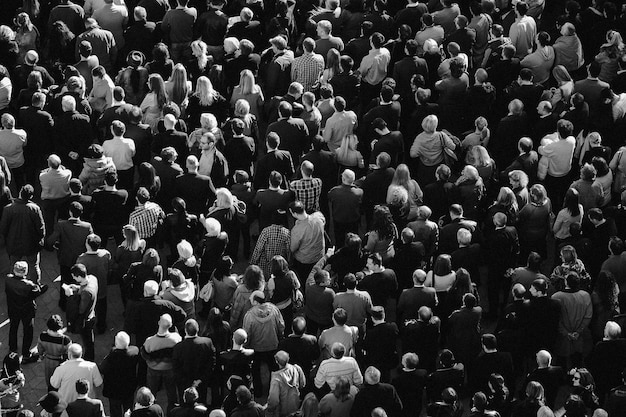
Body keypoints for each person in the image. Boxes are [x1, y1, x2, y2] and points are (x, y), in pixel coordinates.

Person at [243, 290, 285, 398]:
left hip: (256, 349)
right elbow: (281, 326)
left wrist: (246, 346)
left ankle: (258, 392)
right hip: (272, 345)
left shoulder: (249, 315)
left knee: (255, 370)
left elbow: (247, 334)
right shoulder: (274, 310)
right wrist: (280, 337)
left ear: (256, 302)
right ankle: (274, 389)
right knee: (273, 368)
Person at [0, 185, 45, 284]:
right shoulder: (35, 208)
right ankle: (36, 286)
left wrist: (8, 239)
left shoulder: (8, 209)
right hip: (31, 244)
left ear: (20, 193)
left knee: (13, 266)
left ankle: (13, 285)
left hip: (13, 244)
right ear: (31, 196)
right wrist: (41, 240)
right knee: (34, 266)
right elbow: (41, 227)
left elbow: (3, 228)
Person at [5, 260, 47, 362]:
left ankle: (12, 348)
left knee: (13, 328)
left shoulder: (8, 279)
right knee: (28, 331)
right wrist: (43, 288)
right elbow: (37, 292)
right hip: (26, 311)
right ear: (25, 272)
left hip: (13, 309)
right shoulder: (29, 285)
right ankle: (26, 354)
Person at [141, 314, 182, 413]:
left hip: (153, 369)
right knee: (171, 391)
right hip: (170, 368)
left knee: (151, 391)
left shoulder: (149, 341)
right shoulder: (176, 338)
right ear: (171, 325)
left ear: (159, 323)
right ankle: (172, 412)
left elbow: (144, 355)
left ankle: (151, 410)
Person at [172, 319, 215, 405]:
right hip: (201, 383)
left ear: (185, 330)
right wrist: (200, 380)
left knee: (185, 406)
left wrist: (187, 383)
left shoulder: (178, 347)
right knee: (201, 406)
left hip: (184, 385)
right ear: (198, 329)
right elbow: (211, 363)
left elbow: (176, 368)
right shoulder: (207, 343)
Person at [76, 234, 112, 335]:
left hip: (89, 288)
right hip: (102, 286)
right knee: (102, 307)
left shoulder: (82, 259)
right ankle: (101, 326)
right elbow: (109, 268)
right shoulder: (106, 254)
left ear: (87, 245)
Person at [100, 331, 139, 417]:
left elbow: (102, 369)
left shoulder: (112, 357)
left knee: (115, 412)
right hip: (129, 388)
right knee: (129, 411)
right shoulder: (135, 352)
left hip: (114, 391)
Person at [266, 350, 306, 417]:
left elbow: (274, 400)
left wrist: (269, 410)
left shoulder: (276, 379)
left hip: (282, 410)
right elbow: (303, 384)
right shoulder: (296, 368)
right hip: (295, 404)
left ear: (276, 361)